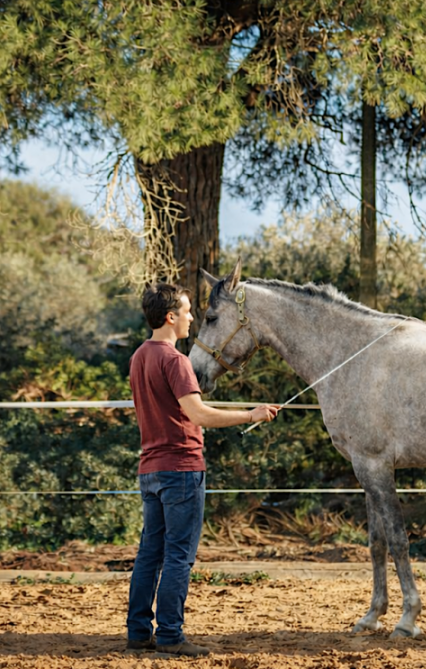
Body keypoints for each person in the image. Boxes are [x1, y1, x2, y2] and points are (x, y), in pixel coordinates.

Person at [125, 282, 279, 657]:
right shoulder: (175, 360)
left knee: (149, 554)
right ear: (170, 317)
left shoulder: (139, 356)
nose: (191, 318)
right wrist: (251, 414)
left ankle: (139, 632)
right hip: (180, 469)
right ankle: (170, 635)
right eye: (187, 311)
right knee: (179, 556)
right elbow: (198, 414)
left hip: (150, 469)